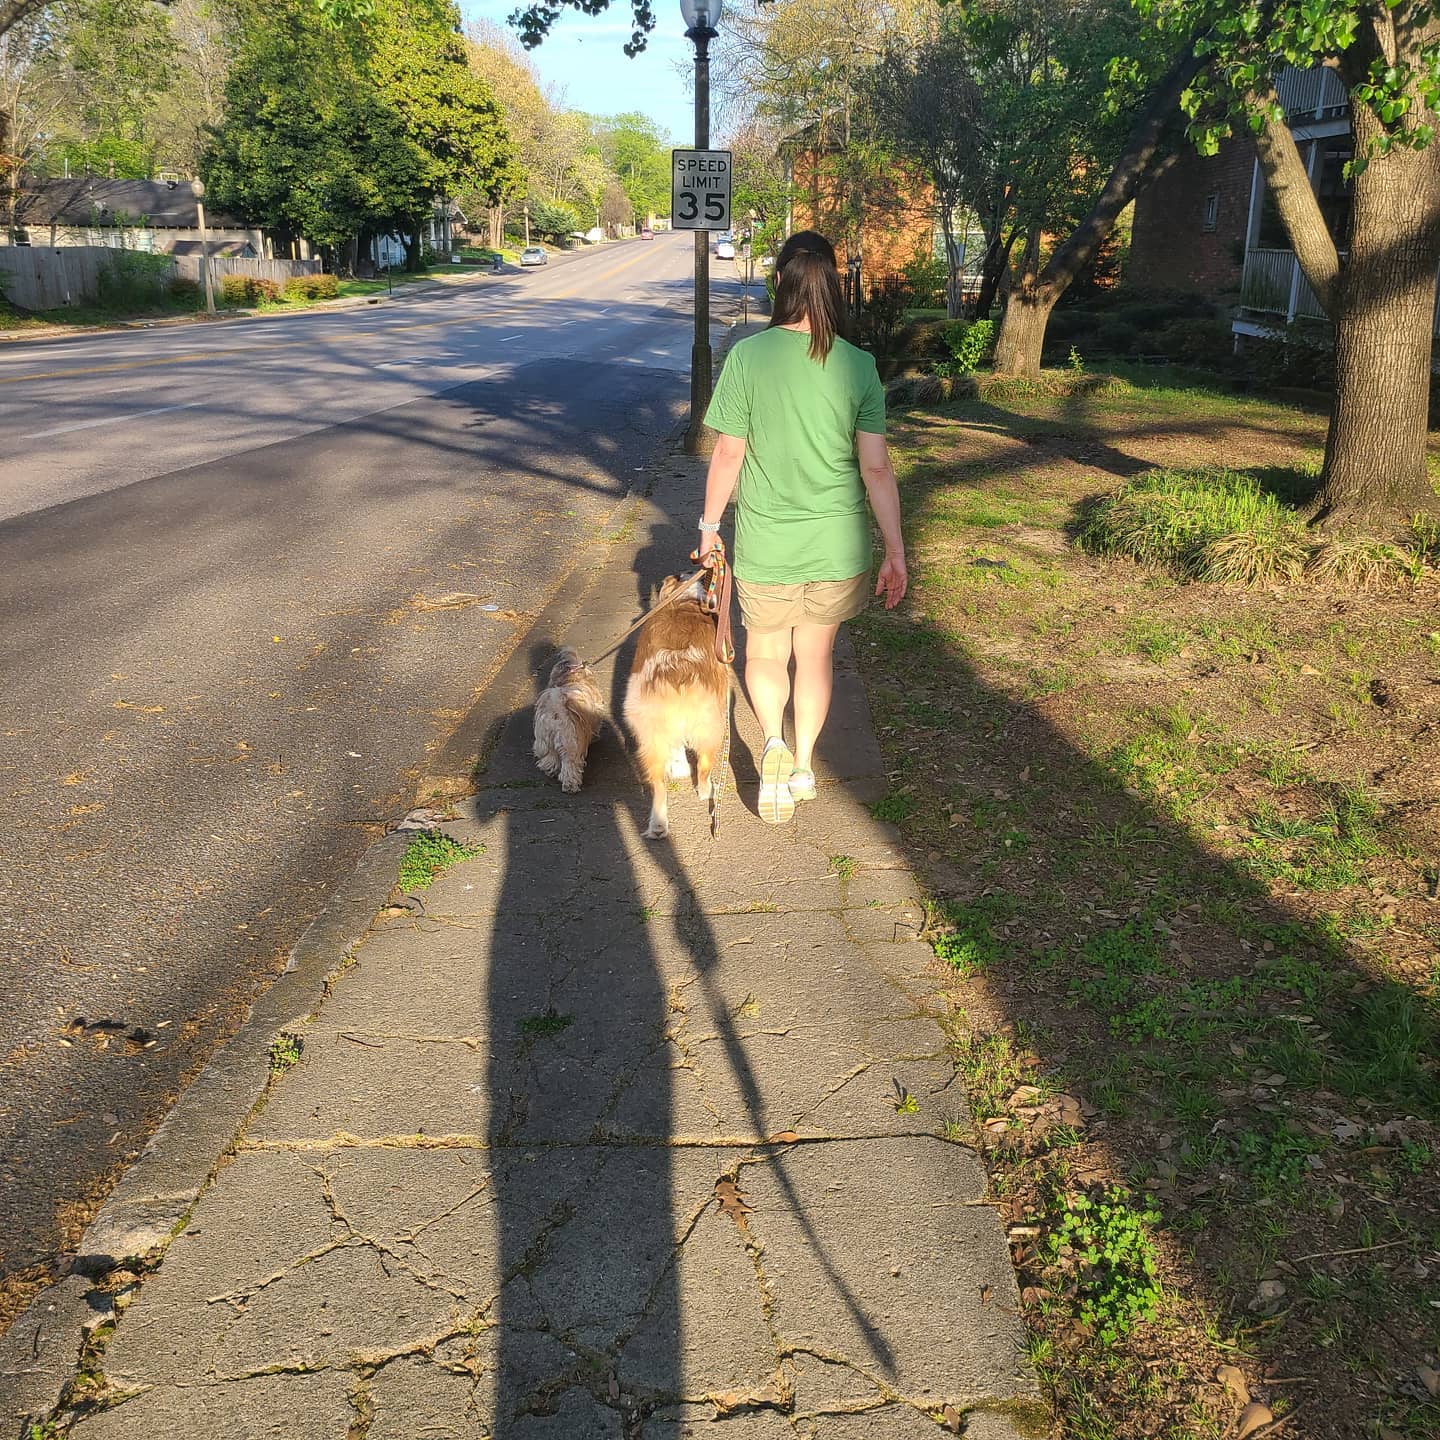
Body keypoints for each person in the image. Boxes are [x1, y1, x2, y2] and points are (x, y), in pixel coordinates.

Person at [698, 230, 907, 826]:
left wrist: (709, 527)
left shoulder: (748, 357)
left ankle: (772, 743)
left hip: (768, 543)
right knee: (815, 657)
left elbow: (728, 453)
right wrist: (895, 550)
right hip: (837, 546)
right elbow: (876, 468)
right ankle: (806, 766)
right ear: (832, 285)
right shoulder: (859, 365)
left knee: (765, 651)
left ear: (780, 283)